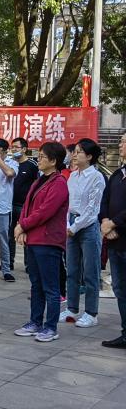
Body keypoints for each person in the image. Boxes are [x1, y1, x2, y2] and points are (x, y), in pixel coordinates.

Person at [13, 142, 68, 342]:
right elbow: (27, 206)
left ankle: (51, 327)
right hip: (34, 239)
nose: (39, 159)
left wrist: (22, 225)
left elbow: (45, 212)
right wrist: (21, 226)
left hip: (48, 241)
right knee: (36, 285)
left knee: (50, 287)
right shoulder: (39, 180)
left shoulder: (59, 183)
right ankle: (35, 322)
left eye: (43, 156)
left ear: (53, 161)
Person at [59, 138, 105, 328]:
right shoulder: (73, 176)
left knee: (90, 273)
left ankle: (91, 313)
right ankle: (72, 308)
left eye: (79, 152)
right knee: (72, 270)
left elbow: (92, 210)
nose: (75, 155)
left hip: (87, 227)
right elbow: (68, 204)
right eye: (75, 151)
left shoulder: (96, 177)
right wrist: (66, 224)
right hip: (71, 223)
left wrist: (74, 227)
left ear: (89, 156)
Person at [100, 133, 126, 349]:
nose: (120, 144)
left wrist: (114, 223)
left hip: (121, 235)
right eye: (121, 141)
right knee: (119, 288)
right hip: (115, 240)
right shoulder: (117, 174)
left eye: (124, 141)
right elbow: (105, 201)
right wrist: (105, 222)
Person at [0, 138, 19, 282]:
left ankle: (6, 270)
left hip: (2, 209)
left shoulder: (12, 163)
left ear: (4, 151)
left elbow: (9, 174)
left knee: (3, 241)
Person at [8, 137, 39, 271]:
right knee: (9, 235)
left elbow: (37, 185)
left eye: (16, 147)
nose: (13, 149)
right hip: (10, 205)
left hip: (24, 206)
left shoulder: (32, 165)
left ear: (24, 149)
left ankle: (28, 264)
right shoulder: (9, 163)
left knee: (26, 234)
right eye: (12, 147)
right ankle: (9, 262)